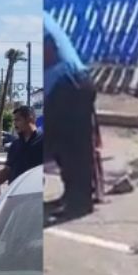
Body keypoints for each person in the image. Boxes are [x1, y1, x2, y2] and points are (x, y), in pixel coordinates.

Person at [43, 13, 98, 220]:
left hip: (66, 85)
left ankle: (79, 202)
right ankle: (75, 196)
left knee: (71, 148)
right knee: (67, 148)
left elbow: (48, 53)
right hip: (70, 84)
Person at [0, 105, 44, 187]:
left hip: (36, 194)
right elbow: (8, 170)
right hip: (15, 195)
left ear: (30, 119)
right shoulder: (15, 145)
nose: (14, 124)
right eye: (14, 120)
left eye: (18, 120)